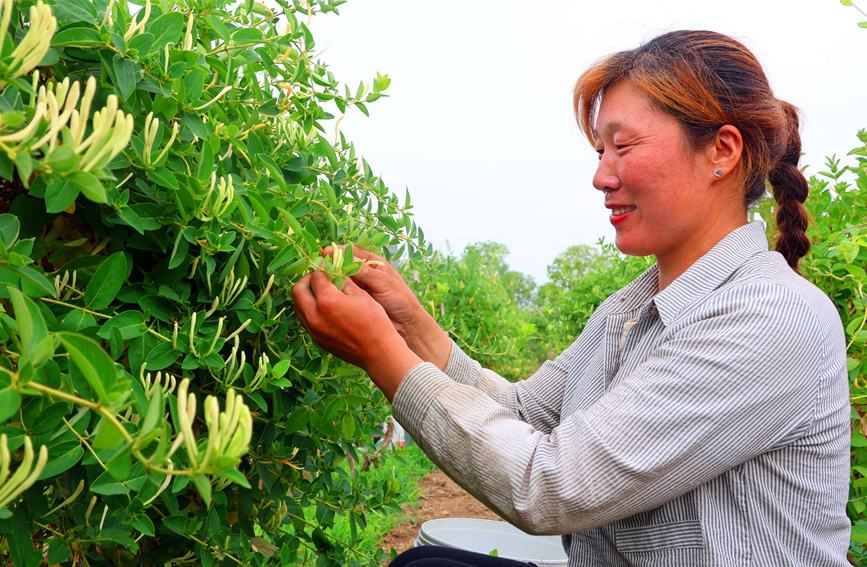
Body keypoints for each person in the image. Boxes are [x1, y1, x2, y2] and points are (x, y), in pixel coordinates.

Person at [291, 30, 851, 566]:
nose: (601, 177)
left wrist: (381, 353)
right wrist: (408, 323)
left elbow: (553, 485)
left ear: (721, 151)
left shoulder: (771, 317)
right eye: (601, 151)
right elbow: (524, 416)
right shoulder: (627, 312)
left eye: (623, 146)